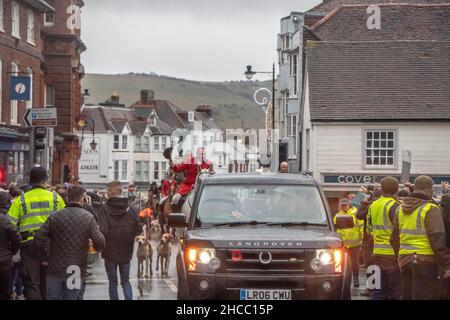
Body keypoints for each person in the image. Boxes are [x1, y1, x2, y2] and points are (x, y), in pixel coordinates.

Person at [33, 186, 104, 300]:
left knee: (52, 297)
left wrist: (43, 258)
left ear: (67, 198)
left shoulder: (55, 216)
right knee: (72, 297)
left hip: (55, 266)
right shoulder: (88, 218)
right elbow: (100, 241)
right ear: (81, 199)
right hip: (76, 267)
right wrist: (93, 251)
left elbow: (38, 237)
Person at [7, 167, 65, 300]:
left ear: (30, 182)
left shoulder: (20, 200)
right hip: (50, 247)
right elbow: (64, 223)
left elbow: (9, 225)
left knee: (32, 283)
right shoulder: (56, 199)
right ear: (45, 181)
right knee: (48, 282)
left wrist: (14, 247)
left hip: (28, 246)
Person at [392, 175, 450, 300]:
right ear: (430, 190)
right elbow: (437, 241)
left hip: (405, 260)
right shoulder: (431, 209)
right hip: (425, 262)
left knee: (406, 295)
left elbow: (394, 239)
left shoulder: (399, 208)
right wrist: (446, 265)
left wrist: (401, 256)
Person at [97, 181, 142, 300]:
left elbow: (103, 230)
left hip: (109, 250)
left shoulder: (104, 209)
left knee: (113, 282)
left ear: (110, 193)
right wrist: (129, 235)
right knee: (125, 281)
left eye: (107, 191)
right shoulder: (130, 208)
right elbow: (139, 228)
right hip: (126, 250)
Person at [367, 177, 401, 300]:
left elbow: (368, 229)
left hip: (377, 253)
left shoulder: (373, 205)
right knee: (394, 292)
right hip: (392, 255)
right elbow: (399, 232)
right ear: (396, 190)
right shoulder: (396, 206)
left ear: (382, 188)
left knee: (378, 291)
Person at [333, 198, 362, 288]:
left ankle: (356, 278)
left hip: (355, 243)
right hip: (343, 244)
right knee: (340, 262)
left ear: (349, 204)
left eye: (346, 205)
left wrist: (363, 239)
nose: (344, 207)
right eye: (343, 205)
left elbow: (361, 226)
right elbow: (334, 229)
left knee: (354, 262)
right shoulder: (337, 216)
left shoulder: (356, 213)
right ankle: (341, 280)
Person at [0, 205, 21, 300]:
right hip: (4, 261)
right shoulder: (3, 220)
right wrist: (11, 252)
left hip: (4, 258)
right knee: (5, 290)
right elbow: (16, 238)